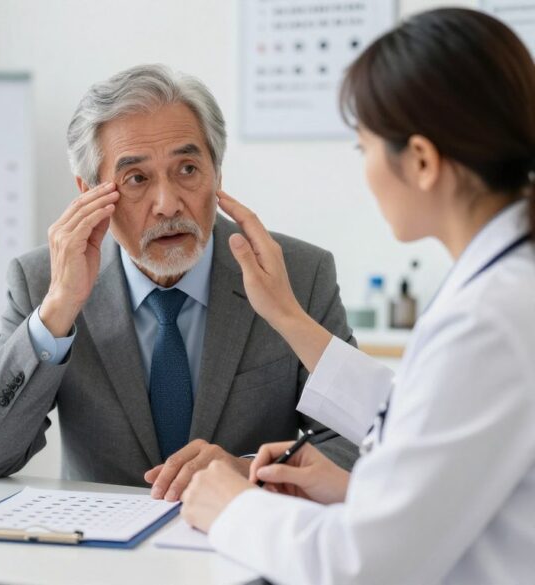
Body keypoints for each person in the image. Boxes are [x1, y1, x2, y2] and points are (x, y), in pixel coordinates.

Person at [180, 8, 535, 584]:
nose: (364, 170)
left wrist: (233, 507)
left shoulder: (491, 318)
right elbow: (432, 416)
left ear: (420, 160)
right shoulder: (502, 283)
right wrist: (353, 488)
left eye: (363, 147)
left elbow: (362, 567)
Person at [0, 64, 357, 496]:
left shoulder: (297, 273)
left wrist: (249, 470)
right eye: (137, 179)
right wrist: (58, 311)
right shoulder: (42, 281)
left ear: (217, 173)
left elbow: (358, 444)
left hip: (243, 540)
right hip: (101, 553)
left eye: (187, 170)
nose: (167, 204)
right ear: (89, 192)